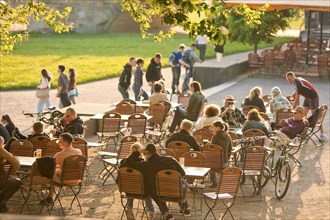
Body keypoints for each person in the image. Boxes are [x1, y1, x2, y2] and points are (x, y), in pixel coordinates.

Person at [142, 143, 190, 219]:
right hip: (177, 192)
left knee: (153, 188)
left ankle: (166, 212)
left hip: (161, 194)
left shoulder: (146, 165)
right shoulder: (170, 159)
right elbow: (183, 174)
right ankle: (184, 207)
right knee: (182, 182)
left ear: (147, 153)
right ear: (157, 151)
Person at [40, 133, 82, 206]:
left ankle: (50, 197)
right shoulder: (78, 151)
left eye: (60, 141)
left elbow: (52, 167)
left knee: (51, 173)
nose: (58, 143)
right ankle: (50, 197)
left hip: (64, 180)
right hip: (77, 179)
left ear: (65, 143)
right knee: (56, 172)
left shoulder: (59, 154)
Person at [286, 71, 326, 141]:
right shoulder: (297, 79)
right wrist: (292, 95)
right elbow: (297, 91)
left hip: (313, 98)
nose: (288, 81)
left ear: (293, 76)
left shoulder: (298, 84)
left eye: (289, 79)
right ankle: (305, 133)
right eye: (287, 80)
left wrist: (293, 109)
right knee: (303, 115)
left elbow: (297, 99)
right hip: (307, 98)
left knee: (316, 116)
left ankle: (322, 134)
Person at [119, 143, 154, 220]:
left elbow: (118, 179)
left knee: (131, 185)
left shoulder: (123, 162)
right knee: (147, 188)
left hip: (127, 191)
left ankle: (129, 208)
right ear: (140, 152)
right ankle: (150, 210)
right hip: (142, 192)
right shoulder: (143, 163)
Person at [0, 136, 22, 213]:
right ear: (1, 144)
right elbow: (16, 163)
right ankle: (2, 199)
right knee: (18, 183)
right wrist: (11, 173)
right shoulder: (1, 151)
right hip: (1, 181)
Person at [210, 120, 232, 187]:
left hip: (216, 162)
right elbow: (230, 149)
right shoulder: (228, 136)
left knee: (210, 163)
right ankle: (225, 182)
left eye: (213, 127)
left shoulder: (215, 136)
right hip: (225, 161)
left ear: (218, 127)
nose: (212, 129)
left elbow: (211, 148)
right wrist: (227, 158)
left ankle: (214, 183)